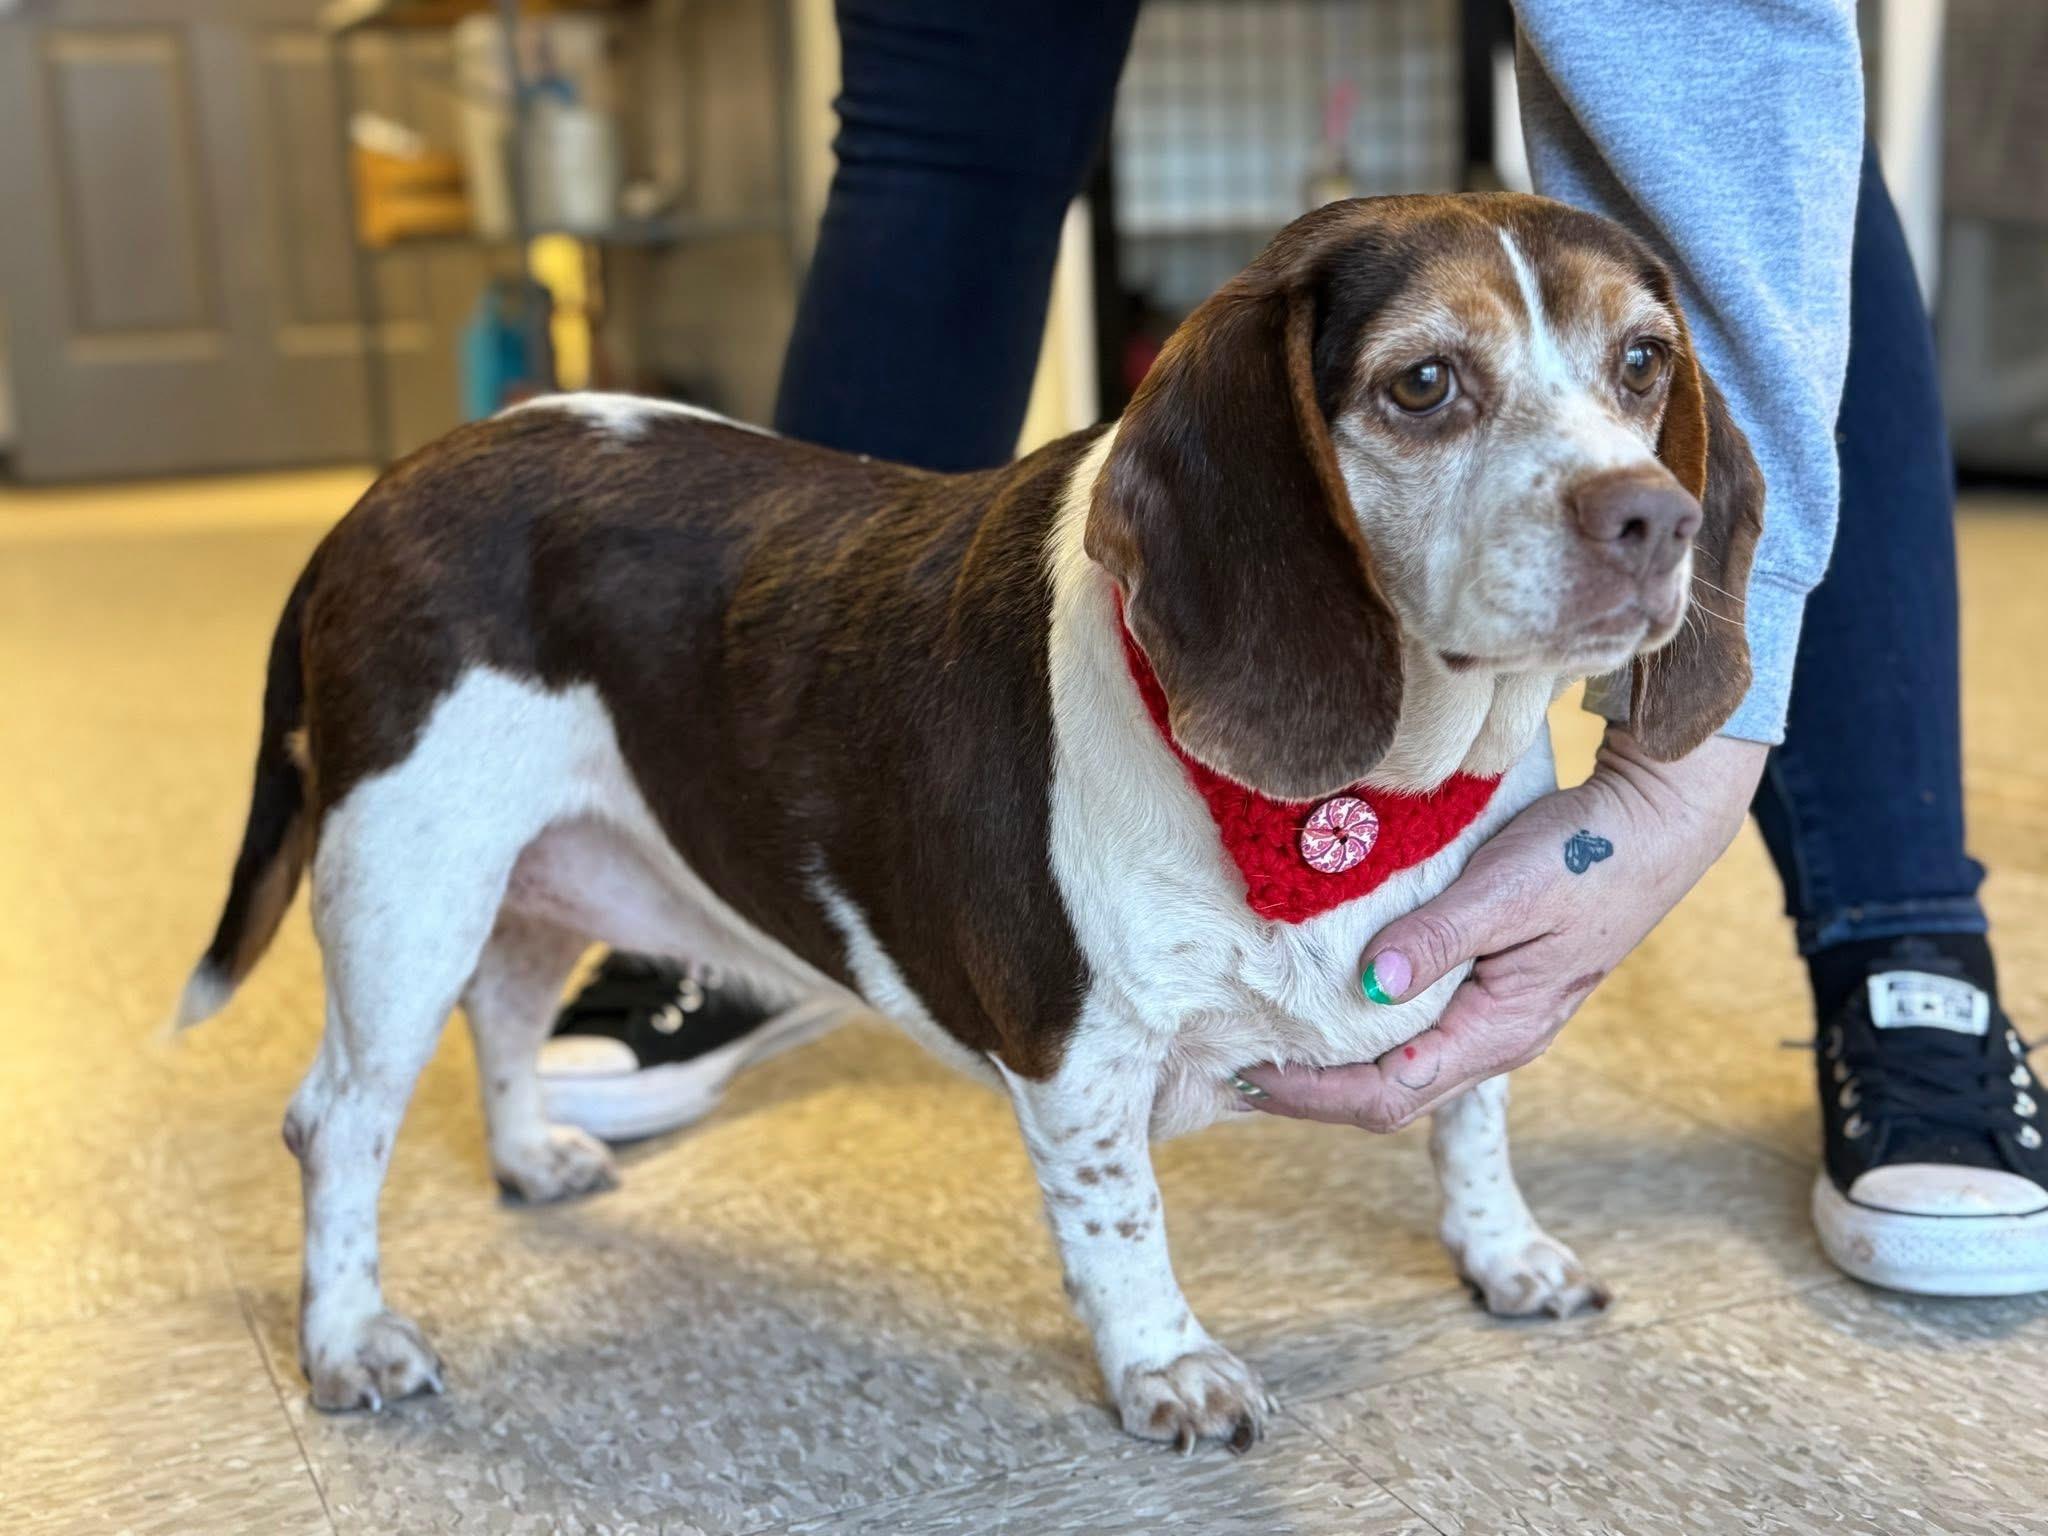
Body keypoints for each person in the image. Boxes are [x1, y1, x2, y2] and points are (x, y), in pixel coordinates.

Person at [541, 0, 2042, 1297]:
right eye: (1429, 386)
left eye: (1636, 375)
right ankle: (773, 884)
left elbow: (1724, 60)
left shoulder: (1660, 492)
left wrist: (1685, 768)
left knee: (1760, 163)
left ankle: (1900, 937)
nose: (1634, 488)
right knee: (945, 130)